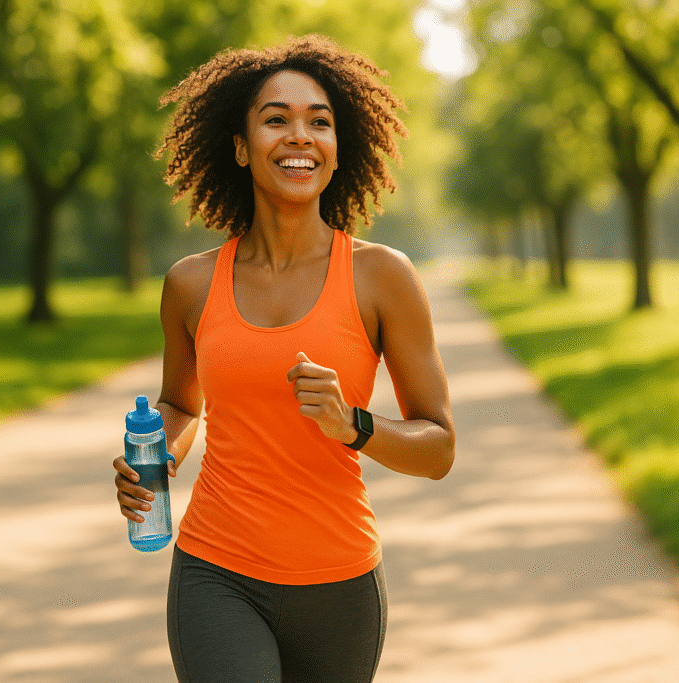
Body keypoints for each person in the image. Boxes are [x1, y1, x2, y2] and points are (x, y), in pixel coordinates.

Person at [113, 34, 455, 683]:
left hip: (341, 585)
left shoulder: (382, 278)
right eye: (277, 119)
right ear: (241, 148)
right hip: (216, 571)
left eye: (318, 122)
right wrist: (156, 457)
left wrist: (355, 424)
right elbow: (182, 402)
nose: (300, 136)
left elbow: (438, 445)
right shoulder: (190, 284)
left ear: (335, 150)